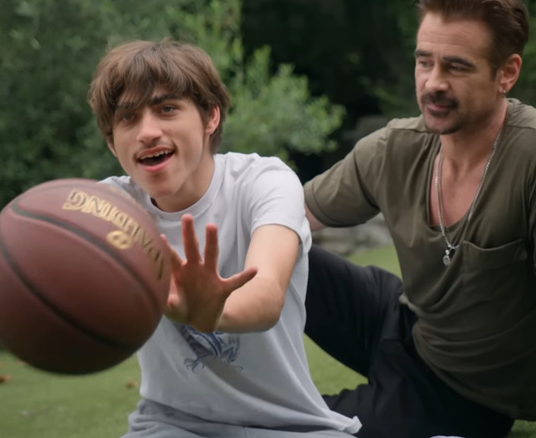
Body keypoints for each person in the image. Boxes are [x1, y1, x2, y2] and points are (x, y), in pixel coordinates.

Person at [302, 1, 536, 438]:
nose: (433, 83)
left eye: (457, 67)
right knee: (280, 246)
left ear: (507, 72)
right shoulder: (396, 147)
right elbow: (291, 213)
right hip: (401, 318)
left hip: (460, 396)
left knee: (289, 425)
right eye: (424, 62)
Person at [87, 39, 361, 438]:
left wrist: (210, 310)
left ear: (210, 116)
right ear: (113, 142)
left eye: (167, 109)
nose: (147, 131)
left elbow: (266, 295)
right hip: (169, 425)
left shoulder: (264, 183)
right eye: (128, 118)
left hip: (290, 427)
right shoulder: (107, 209)